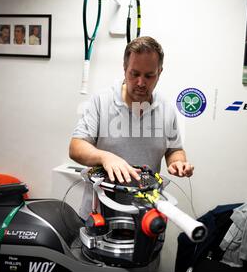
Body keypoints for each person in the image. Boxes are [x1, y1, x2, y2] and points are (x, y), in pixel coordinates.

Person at [69, 36, 194, 219]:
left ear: (159, 72)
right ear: (124, 68)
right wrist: (105, 157)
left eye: (149, 75)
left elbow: (174, 149)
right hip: (99, 215)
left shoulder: (166, 109)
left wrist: (178, 162)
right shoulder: (101, 102)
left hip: (146, 218)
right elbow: (76, 147)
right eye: (134, 74)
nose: (141, 83)